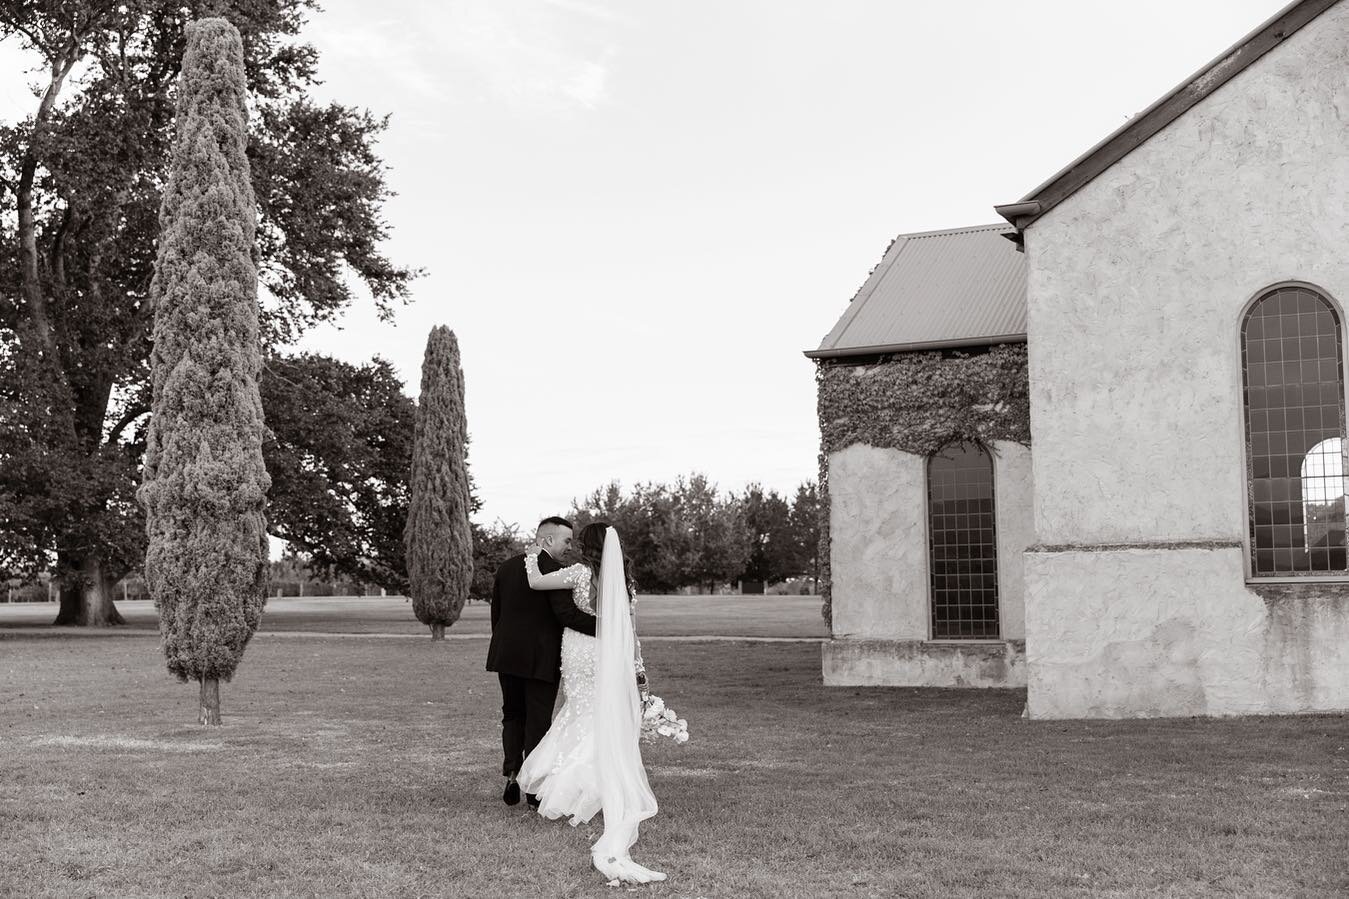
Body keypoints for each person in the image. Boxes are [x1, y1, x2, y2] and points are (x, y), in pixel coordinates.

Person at [517, 522, 665, 884]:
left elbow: (536, 581)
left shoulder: (579, 573)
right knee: (601, 715)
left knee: (578, 711)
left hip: (579, 650)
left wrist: (533, 556)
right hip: (608, 651)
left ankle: (570, 791)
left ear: (589, 547)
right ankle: (593, 787)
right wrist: (637, 663)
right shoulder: (625, 581)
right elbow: (631, 627)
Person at [485, 517, 596, 808]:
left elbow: (496, 614)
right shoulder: (556, 572)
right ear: (547, 540)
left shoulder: (507, 567)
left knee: (511, 714)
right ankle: (534, 791)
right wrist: (609, 626)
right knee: (537, 721)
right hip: (540, 658)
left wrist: (503, 644)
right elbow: (566, 616)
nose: (570, 547)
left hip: (506, 654)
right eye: (566, 541)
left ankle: (512, 773)